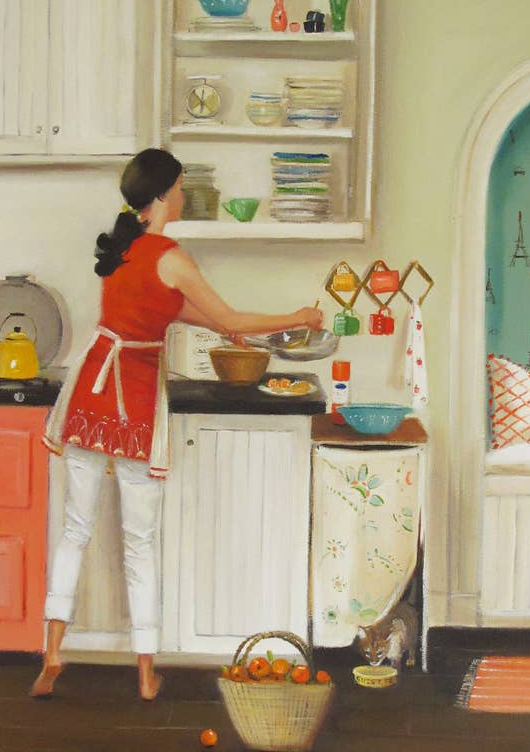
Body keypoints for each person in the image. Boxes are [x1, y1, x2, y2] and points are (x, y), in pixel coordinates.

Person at [34, 148, 323, 700]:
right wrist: (299, 316)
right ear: (165, 194)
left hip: (92, 389)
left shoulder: (124, 247)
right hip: (133, 397)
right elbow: (230, 317)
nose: (186, 195)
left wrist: (221, 324)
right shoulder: (173, 255)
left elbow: (160, 307)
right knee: (140, 543)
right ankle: (145, 676)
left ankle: (51, 655)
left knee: (74, 530)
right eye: (182, 187)